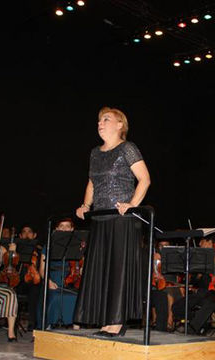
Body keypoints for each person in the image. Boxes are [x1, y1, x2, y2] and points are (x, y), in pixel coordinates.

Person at [73, 106, 151, 337]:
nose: (100, 123)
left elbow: (145, 179)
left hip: (121, 219)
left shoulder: (127, 148)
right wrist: (86, 206)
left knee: (118, 270)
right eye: (99, 120)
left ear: (120, 125)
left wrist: (132, 204)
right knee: (101, 270)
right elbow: (92, 183)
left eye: (106, 119)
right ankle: (105, 320)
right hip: (100, 217)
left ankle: (116, 322)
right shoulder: (95, 153)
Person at [38, 217, 81, 329]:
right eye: (61, 226)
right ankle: (48, 326)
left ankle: (76, 330)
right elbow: (42, 270)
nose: (64, 229)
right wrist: (48, 281)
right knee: (56, 297)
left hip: (70, 282)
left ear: (72, 229)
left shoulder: (77, 246)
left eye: (67, 226)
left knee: (78, 298)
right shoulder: (48, 246)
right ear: (56, 229)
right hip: (53, 280)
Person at [14, 223, 41, 331]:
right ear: (20, 236)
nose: (26, 234)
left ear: (34, 235)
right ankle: (11, 321)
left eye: (29, 232)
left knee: (36, 289)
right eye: (24, 232)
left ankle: (33, 322)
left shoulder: (39, 250)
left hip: (33, 280)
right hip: (18, 280)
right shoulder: (16, 250)